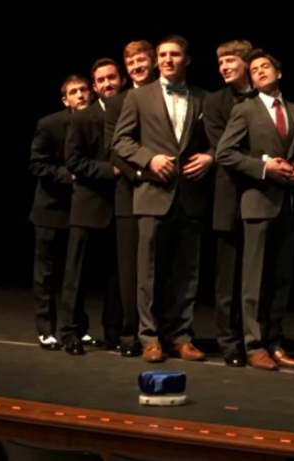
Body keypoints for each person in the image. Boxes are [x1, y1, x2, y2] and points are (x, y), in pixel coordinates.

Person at [113, 35, 212, 363]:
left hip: (189, 196)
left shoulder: (202, 98)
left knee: (187, 273)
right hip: (152, 195)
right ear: (157, 60)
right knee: (149, 272)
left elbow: (219, 140)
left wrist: (210, 157)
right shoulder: (139, 97)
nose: (168, 60)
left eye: (175, 54)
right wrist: (149, 159)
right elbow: (121, 142)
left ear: (187, 59)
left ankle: (181, 336)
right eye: (163, 55)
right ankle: (149, 337)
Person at [215, 49, 294, 371]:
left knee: (280, 279)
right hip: (256, 203)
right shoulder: (245, 110)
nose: (259, 72)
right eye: (254, 70)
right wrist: (264, 168)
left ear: (278, 73)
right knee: (253, 280)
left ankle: (275, 341)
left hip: (289, 204)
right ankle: (253, 345)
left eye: (265, 67)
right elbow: (225, 153)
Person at [60, 58, 125, 355]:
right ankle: (71, 332)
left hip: (123, 207)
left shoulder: (131, 110)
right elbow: (74, 162)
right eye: (102, 80)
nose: (108, 84)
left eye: (112, 78)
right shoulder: (82, 118)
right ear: (95, 86)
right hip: (89, 206)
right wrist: (109, 171)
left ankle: (113, 332)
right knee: (78, 274)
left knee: (118, 275)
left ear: (120, 80)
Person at [203, 39, 258, 367]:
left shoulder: (266, 95)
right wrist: (265, 164)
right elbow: (223, 147)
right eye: (220, 62)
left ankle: (259, 339)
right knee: (229, 275)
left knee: (258, 275)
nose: (223, 67)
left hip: (265, 196)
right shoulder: (215, 101)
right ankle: (229, 343)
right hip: (230, 195)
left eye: (230, 61)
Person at [103, 40, 159, 358]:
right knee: (130, 270)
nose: (137, 66)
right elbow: (115, 149)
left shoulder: (165, 97)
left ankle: (157, 331)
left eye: (141, 60)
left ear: (153, 62)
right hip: (131, 194)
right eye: (131, 62)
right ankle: (130, 332)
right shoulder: (117, 103)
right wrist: (143, 174)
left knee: (159, 269)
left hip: (164, 193)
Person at [28, 74, 90, 351]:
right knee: (47, 273)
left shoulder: (96, 122)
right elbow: (37, 165)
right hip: (51, 209)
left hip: (82, 210)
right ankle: (46, 329)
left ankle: (76, 327)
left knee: (76, 274)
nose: (80, 95)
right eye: (74, 92)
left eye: (84, 89)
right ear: (65, 99)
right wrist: (70, 175)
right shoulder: (50, 124)